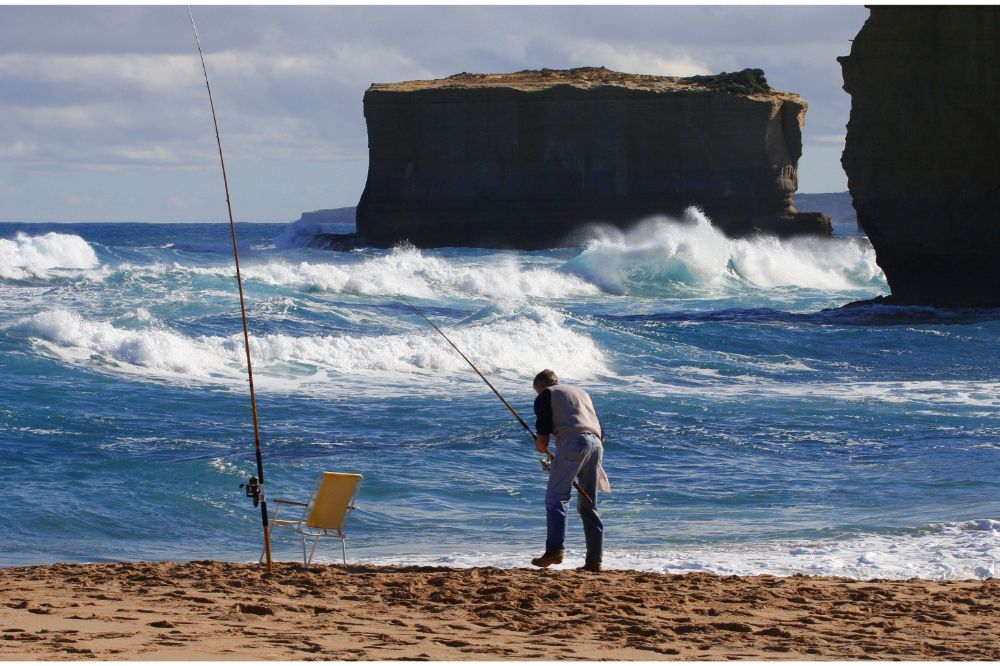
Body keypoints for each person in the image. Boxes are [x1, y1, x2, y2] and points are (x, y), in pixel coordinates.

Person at [530, 368, 604, 572]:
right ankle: (594, 561)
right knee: (588, 505)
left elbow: (543, 439)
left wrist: (540, 446)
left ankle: (554, 550)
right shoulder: (582, 394)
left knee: (556, 498)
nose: (538, 395)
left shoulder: (547, 395)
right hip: (596, 444)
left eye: (538, 391)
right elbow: (597, 426)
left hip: (574, 443)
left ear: (542, 386)